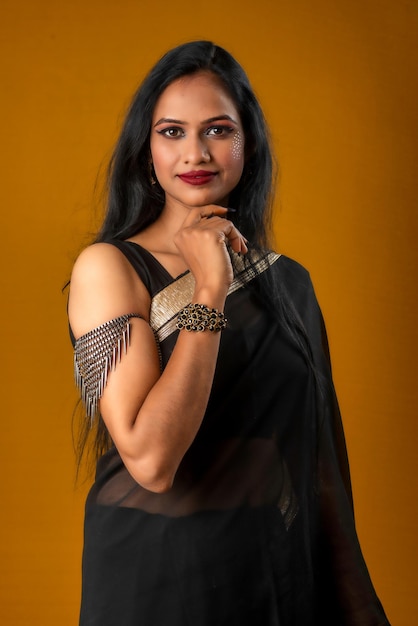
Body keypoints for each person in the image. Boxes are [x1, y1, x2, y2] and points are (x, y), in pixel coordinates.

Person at [68, 41, 390, 626]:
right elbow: (151, 459)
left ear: (248, 147)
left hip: (268, 572)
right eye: (171, 132)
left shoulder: (288, 283)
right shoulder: (110, 269)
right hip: (153, 578)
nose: (195, 152)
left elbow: (321, 477)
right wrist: (210, 286)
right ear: (146, 153)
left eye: (218, 130)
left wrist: (360, 608)